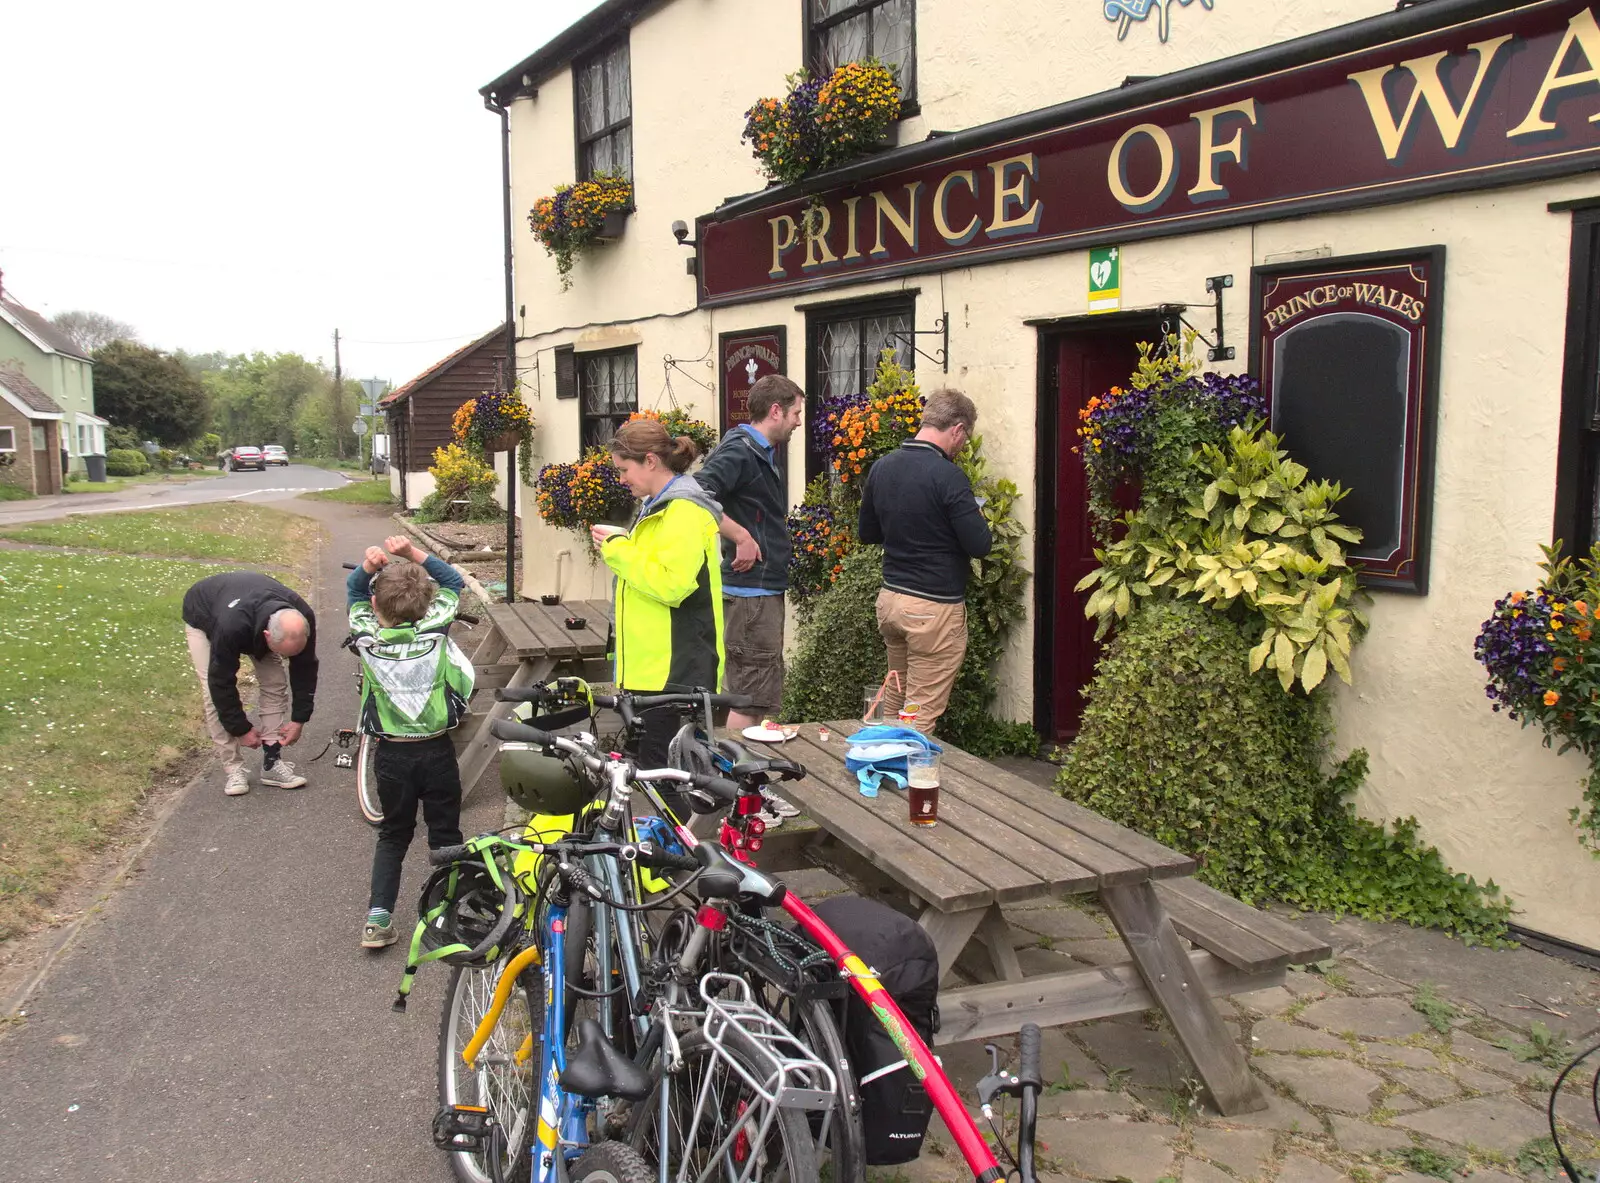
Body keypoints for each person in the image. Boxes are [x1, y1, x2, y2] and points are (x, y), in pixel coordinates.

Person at [591, 418, 725, 821]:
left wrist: (617, 549)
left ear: (650, 460)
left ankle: (679, 870)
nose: (621, 479)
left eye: (623, 469)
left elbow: (673, 585)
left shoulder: (682, 510)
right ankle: (665, 865)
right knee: (654, 776)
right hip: (654, 670)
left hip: (675, 670)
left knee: (667, 782)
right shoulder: (660, 506)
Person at [349, 534, 474, 950]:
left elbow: (353, 590)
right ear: (426, 604)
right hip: (437, 750)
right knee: (446, 835)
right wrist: (410, 553)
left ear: (376, 608)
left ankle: (377, 919)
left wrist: (369, 567)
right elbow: (452, 581)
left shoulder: (367, 636)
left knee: (393, 834)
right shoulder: (436, 631)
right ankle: (445, 917)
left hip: (392, 756)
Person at [857, 387, 992, 735]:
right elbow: (980, 544)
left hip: (891, 602)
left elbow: (868, 533)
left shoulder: (882, 468)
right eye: (965, 438)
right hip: (933, 609)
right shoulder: (948, 477)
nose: (962, 446)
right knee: (919, 715)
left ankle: (878, 772)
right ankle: (909, 787)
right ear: (958, 429)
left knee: (895, 700)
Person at [181, 571, 318, 797]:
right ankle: (234, 768)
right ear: (266, 636)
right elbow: (221, 683)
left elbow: (306, 668)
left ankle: (272, 763)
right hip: (205, 611)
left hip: (251, 608)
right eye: (281, 654)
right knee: (211, 692)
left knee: (275, 681)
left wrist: (300, 719)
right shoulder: (230, 627)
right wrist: (241, 729)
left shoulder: (302, 618)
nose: (285, 660)